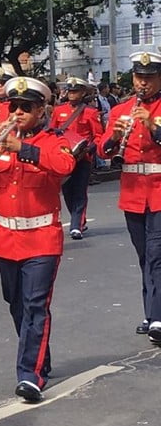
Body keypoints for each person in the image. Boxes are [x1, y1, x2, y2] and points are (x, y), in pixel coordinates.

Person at [0, 76, 75, 402]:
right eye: (14, 106)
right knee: (16, 305)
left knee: (36, 305)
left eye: (26, 107)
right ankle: (41, 356)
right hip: (6, 237)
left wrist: (23, 149)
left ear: (41, 110)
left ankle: (30, 374)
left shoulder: (52, 140)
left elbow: (64, 163)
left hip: (41, 237)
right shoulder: (0, 140)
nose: (19, 112)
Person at [96, 52, 161, 341]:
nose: (142, 83)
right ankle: (151, 313)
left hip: (160, 190)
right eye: (138, 77)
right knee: (144, 255)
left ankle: (158, 317)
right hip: (133, 191)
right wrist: (113, 138)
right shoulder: (121, 109)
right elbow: (102, 149)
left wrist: (152, 126)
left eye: (148, 78)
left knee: (158, 255)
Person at [49, 78, 103, 239]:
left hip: (82, 158)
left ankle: (76, 225)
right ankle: (79, 219)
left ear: (83, 93)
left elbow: (98, 136)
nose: (72, 95)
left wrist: (89, 149)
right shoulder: (59, 110)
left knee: (80, 191)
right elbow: (52, 131)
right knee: (67, 191)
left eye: (76, 91)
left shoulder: (90, 112)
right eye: (70, 91)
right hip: (64, 157)